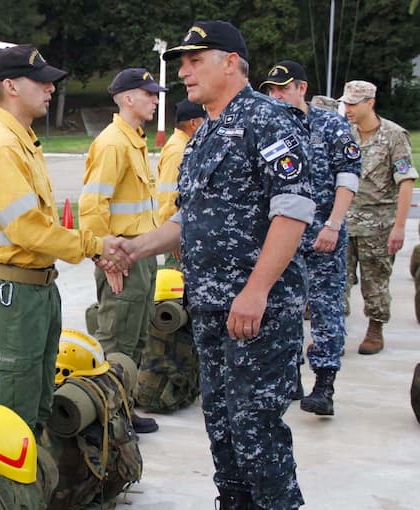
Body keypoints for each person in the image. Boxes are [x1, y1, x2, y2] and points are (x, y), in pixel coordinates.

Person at [117, 21, 315, 509]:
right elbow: (189, 218)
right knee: (223, 426)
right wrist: (134, 248)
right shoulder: (204, 134)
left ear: (230, 63)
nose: (184, 72)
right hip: (210, 309)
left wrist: (256, 290)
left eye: (194, 61)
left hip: (257, 313)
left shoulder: (269, 120)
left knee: (257, 431)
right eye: (182, 63)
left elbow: (292, 210)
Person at [0, 44, 130, 436]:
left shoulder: (22, 141)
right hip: (11, 295)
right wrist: (95, 246)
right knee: (13, 420)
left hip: (34, 290)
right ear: (10, 86)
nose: (50, 88)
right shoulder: (2, 147)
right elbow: (27, 228)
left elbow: (38, 226)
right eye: (40, 81)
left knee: (37, 409)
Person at [261, 60, 361, 416]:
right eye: (271, 90)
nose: (276, 96)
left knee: (325, 306)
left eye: (283, 89)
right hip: (282, 237)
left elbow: (348, 177)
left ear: (301, 88)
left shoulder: (331, 125)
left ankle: (324, 383)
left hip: (322, 234)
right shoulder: (269, 128)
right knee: (282, 307)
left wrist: (333, 224)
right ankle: (290, 376)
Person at [78, 67, 165, 434]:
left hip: (141, 255)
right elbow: (92, 204)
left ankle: (123, 409)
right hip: (123, 257)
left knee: (137, 336)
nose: (156, 100)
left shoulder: (133, 140)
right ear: (128, 99)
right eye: (149, 94)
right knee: (117, 340)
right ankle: (107, 418)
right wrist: (105, 257)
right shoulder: (113, 143)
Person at [340, 80, 418, 355]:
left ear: (370, 103)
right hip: (344, 223)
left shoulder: (394, 136)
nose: (348, 109)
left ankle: (375, 328)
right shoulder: (345, 134)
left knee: (375, 282)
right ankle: (334, 332)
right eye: (346, 103)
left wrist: (400, 227)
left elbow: (405, 181)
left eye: (353, 103)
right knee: (338, 282)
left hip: (378, 226)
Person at [156, 99, 206, 225]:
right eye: (205, 121)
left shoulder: (187, 146)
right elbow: (169, 199)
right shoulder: (178, 151)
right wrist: (168, 233)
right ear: (193, 123)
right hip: (173, 228)